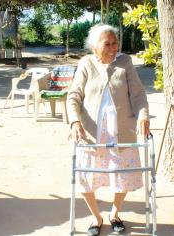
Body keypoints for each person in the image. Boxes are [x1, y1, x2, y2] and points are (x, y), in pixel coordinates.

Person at [67, 24, 150, 236]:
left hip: (120, 130)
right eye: (108, 43)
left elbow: (139, 94)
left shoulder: (125, 62)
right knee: (86, 178)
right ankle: (96, 217)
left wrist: (143, 114)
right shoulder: (86, 63)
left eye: (115, 43)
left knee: (121, 175)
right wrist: (75, 121)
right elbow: (74, 95)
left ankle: (114, 214)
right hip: (91, 132)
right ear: (95, 46)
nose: (113, 47)